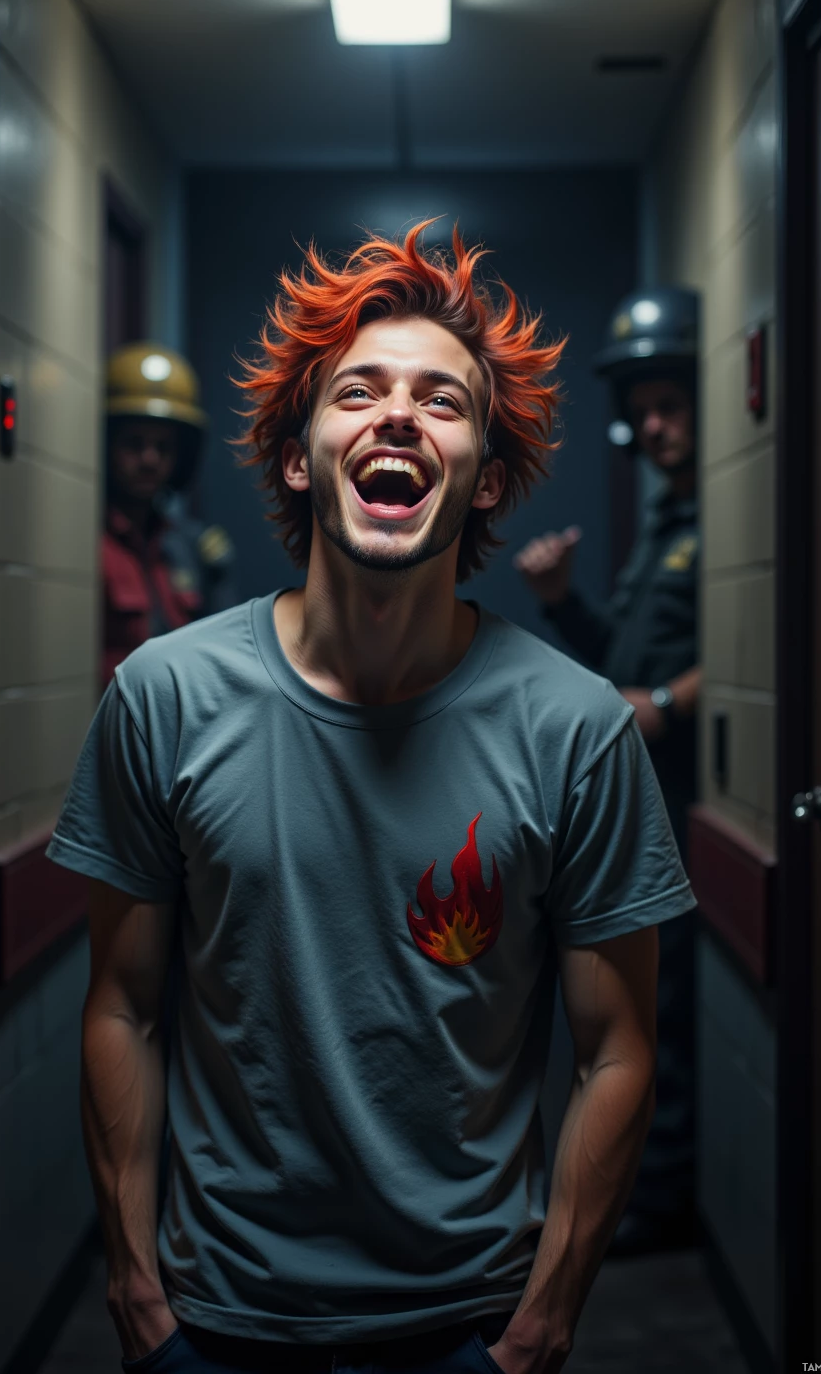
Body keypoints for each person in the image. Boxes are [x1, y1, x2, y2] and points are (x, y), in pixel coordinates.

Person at [49, 228, 695, 1374]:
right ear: (301, 458)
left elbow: (617, 1051)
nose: (398, 414)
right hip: (211, 1325)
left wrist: (543, 1323)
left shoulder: (577, 729)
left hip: (469, 1329)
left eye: (442, 401)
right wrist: (140, 1291)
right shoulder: (163, 699)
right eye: (358, 391)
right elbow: (122, 1007)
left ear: (485, 477)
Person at [514, 287, 700, 1254]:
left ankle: (657, 1201)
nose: (654, 424)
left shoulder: (732, 519)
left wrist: (670, 705)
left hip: (688, 800)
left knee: (654, 1013)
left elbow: (751, 654)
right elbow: (623, 676)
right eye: (645, 409)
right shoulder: (669, 521)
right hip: (648, 798)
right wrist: (560, 604)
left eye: (672, 404)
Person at [102, 344, 237, 687]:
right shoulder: (85, 543)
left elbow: (222, 654)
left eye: (163, 447)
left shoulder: (193, 547)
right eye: (134, 444)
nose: (149, 459)